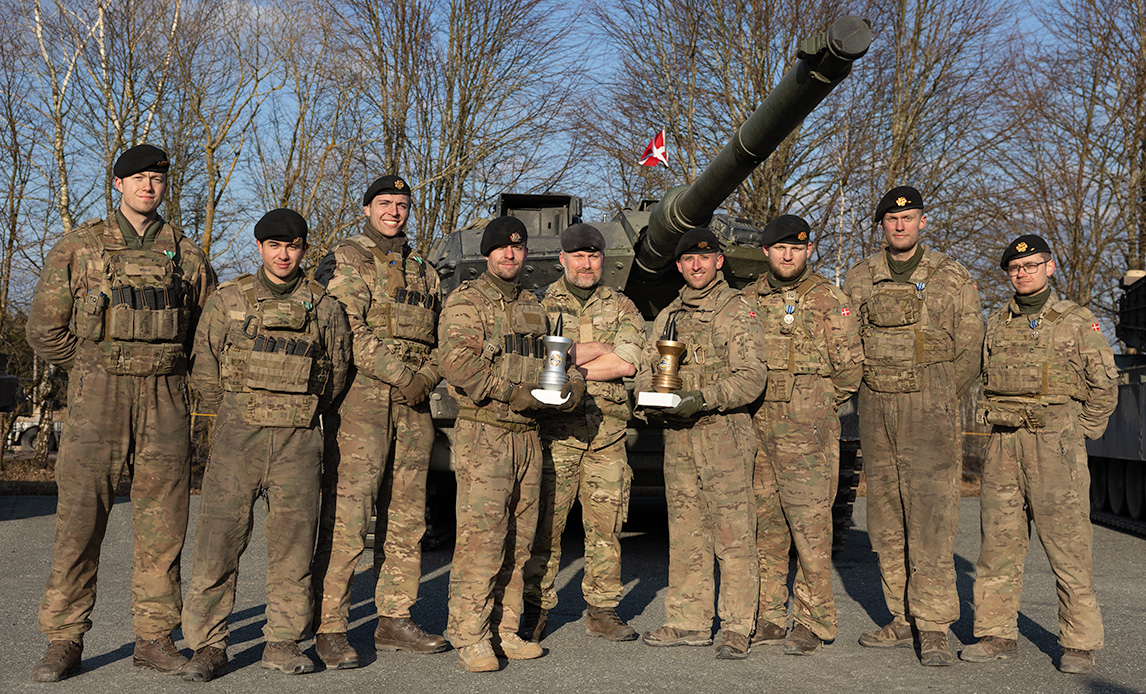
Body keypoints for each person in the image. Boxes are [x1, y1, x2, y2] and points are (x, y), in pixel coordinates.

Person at [26, 145, 216, 682]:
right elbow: (43, 330)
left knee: (165, 525)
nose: (148, 186)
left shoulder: (188, 255)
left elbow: (206, 338)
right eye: (138, 178)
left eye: (157, 178)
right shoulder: (79, 247)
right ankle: (64, 639)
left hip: (166, 400)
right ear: (118, 184)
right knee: (79, 522)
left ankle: (154, 638)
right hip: (98, 401)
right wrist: (91, 366)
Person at [180, 209, 351, 682]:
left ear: (304, 250)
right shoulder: (228, 299)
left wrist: (298, 411)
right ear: (259, 248)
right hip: (238, 440)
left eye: (293, 246)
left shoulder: (325, 307)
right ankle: (208, 645)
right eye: (274, 245)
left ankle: (282, 641)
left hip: (298, 442)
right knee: (217, 545)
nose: (283, 255)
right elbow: (204, 366)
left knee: (293, 550)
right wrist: (236, 411)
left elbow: (336, 374)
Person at [961, 235, 1117, 675]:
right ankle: (995, 634)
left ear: (1049, 267)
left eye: (1031, 265)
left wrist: (1076, 433)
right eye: (1015, 268)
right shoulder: (997, 323)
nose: (1022, 273)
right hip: (1003, 445)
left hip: (1054, 448)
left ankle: (1079, 643)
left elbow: (1105, 385)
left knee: (1068, 547)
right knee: (998, 545)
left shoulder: (1076, 321)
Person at [843, 186, 984, 666]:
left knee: (931, 519)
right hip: (875, 410)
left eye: (908, 218)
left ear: (923, 222)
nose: (900, 225)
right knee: (885, 519)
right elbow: (846, 343)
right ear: (882, 225)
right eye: (891, 219)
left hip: (929, 412)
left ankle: (934, 626)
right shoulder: (860, 277)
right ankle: (902, 618)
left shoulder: (950, 275)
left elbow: (970, 345)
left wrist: (938, 393)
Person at [310, 175, 446, 668]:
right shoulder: (348, 258)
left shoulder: (425, 271)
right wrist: (404, 376)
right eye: (384, 203)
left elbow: (444, 337)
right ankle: (329, 626)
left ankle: (394, 618)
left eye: (402, 204)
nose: (393, 211)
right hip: (362, 405)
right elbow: (348, 329)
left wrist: (425, 378)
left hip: (414, 407)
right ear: (367, 208)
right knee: (348, 518)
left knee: (406, 518)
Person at [437, 216, 585, 672]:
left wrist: (572, 391)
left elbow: (562, 362)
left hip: (528, 436)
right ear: (488, 253)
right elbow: (458, 364)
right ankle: (470, 634)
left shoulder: (534, 306)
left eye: (517, 248)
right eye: (502, 247)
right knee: (482, 540)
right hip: (487, 433)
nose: (510, 254)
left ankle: (505, 629)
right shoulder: (467, 301)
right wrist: (514, 393)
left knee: (520, 542)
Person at [633, 227, 766, 660]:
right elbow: (649, 368)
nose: (696, 265)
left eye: (704, 258)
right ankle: (689, 621)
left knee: (733, 534)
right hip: (679, 438)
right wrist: (647, 399)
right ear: (678, 265)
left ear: (718, 262)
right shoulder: (669, 314)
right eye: (688, 259)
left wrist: (703, 399)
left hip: (723, 434)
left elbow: (752, 378)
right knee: (687, 532)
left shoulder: (736, 309)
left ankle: (737, 626)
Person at [742, 215, 863, 655]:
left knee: (811, 530)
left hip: (807, 431)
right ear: (766, 252)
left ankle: (814, 621)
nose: (788, 255)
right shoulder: (747, 299)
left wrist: (812, 401)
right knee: (765, 527)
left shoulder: (830, 299)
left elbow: (850, 370)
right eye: (780, 248)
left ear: (808, 250)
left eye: (796, 247)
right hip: (758, 428)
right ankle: (770, 615)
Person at [520, 223, 646, 643]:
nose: (586, 264)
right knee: (545, 528)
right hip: (556, 437)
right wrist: (601, 350)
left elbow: (628, 360)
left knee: (606, 530)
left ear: (603, 260)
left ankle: (602, 610)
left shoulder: (623, 306)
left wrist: (570, 363)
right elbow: (539, 359)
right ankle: (536, 608)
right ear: (562, 259)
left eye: (593, 256)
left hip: (607, 435)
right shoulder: (539, 305)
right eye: (578, 256)